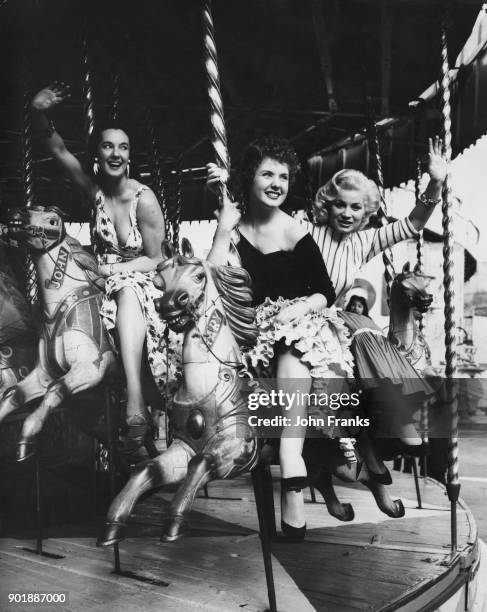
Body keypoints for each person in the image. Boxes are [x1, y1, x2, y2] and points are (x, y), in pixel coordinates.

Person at [207, 137, 355, 541]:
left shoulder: (294, 229)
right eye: (267, 174)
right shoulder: (236, 231)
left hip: (303, 324)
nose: (276, 183)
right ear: (249, 178)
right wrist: (222, 228)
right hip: (255, 329)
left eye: (284, 176)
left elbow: (325, 289)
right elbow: (214, 280)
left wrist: (302, 307)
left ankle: (291, 458)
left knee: (290, 345)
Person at [31, 83, 179, 452]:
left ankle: (134, 399)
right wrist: (39, 112)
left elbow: (157, 257)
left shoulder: (143, 199)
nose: (115, 153)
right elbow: (59, 150)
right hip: (101, 281)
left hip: (142, 279)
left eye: (123, 147)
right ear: (97, 152)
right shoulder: (94, 192)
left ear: (130, 156)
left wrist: (113, 272)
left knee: (127, 294)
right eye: (108, 145)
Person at [311, 137, 448, 452]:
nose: (347, 213)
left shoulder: (363, 242)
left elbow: (412, 224)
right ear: (327, 206)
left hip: (330, 314)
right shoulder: (308, 232)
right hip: (301, 314)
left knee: (366, 328)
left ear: (365, 212)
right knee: (360, 329)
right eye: (340, 204)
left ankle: (392, 416)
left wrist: (435, 183)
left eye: (355, 207)